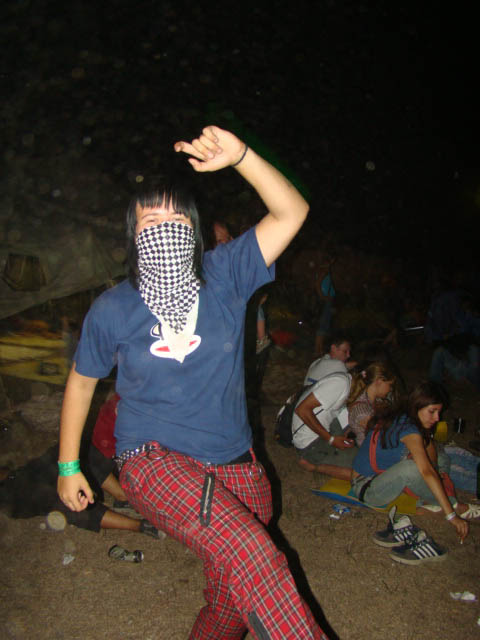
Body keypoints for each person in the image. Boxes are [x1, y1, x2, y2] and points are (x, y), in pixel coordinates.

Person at [57, 125, 328, 640]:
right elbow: (81, 383)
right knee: (252, 552)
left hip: (236, 462)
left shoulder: (225, 274)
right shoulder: (114, 306)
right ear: (133, 236)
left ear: (196, 230)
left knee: (230, 605)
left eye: (177, 218)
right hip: (152, 457)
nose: (165, 228)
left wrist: (241, 156)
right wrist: (69, 466)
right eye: (151, 220)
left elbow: (292, 212)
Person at [351, 381, 479, 543]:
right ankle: (454, 506)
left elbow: (430, 451)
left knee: (441, 456)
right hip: (367, 487)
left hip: (383, 477)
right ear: (418, 406)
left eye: (438, 412)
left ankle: (433, 499)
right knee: (412, 469)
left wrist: (435, 473)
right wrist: (451, 516)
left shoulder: (408, 416)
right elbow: (427, 471)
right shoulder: (408, 429)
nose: (437, 418)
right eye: (432, 411)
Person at [293, 365, 356, 480]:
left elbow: (335, 416)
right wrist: (331, 439)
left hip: (325, 430)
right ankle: (313, 466)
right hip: (310, 442)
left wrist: (342, 436)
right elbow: (301, 410)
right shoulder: (340, 383)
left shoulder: (348, 383)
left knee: (365, 459)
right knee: (361, 472)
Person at [347, 362, 398, 446]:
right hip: (369, 449)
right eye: (390, 385)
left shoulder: (375, 401)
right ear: (379, 381)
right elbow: (381, 434)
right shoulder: (362, 410)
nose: (390, 389)